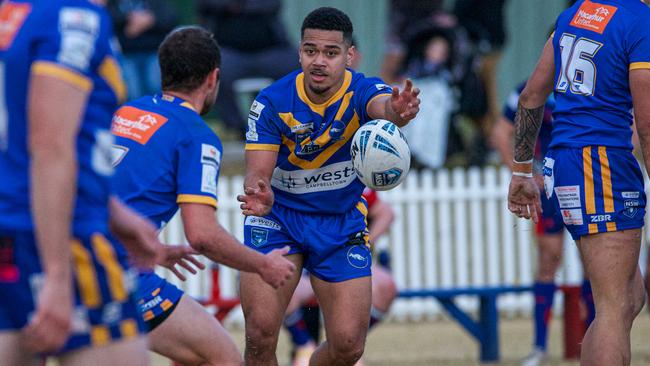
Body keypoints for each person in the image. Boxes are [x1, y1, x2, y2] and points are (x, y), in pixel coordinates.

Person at [237, 7, 420, 366]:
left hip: (340, 221)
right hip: (278, 219)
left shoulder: (362, 89)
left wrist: (397, 112)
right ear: (299, 51)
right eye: (310, 50)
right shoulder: (272, 101)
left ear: (349, 56)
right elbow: (257, 173)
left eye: (331, 53)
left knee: (349, 346)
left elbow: (382, 105)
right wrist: (260, 192)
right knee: (259, 337)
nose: (318, 61)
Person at [110, 26, 296, 365]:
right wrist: (263, 264)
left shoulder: (126, 113)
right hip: (115, 273)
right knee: (223, 359)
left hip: (74, 255)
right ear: (213, 78)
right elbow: (202, 235)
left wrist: (148, 246)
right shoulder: (197, 136)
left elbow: (106, 192)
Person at [0, 0, 157, 365]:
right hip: (63, 237)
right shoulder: (75, 18)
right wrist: (57, 276)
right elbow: (50, 145)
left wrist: (114, 210)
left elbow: (25, 138)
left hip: (12, 227)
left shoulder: (15, 14)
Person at [507, 1, 650, 365]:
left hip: (568, 162)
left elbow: (530, 96)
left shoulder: (574, 15)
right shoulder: (639, 21)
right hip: (601, 162)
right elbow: (647, 122)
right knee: (615, 305)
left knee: (629, 297)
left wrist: (522, 171)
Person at [493, 81, 595, 366]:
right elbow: (501, 133)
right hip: (547, 189)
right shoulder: (531, 87)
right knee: (549, 260)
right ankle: (539, 347)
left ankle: (593, 344)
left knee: (594, 261)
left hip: (586, 182)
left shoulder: (594, 81)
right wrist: (523, 174)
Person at [285, 188, 398, 366]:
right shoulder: (289, 176)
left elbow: (386, 213)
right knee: (279, 282)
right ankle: (304, 344)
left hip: (344, 263)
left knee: (386, 286)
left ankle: (348, 344)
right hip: (305, 270)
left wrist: (367, 243)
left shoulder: (349, 178)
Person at [198, 0, 299, 137]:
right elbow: (206, 5)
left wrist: (240, 6)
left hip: (270, 51)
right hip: (230, 53)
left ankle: (287, 122)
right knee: (214, 68)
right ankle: (239, 128)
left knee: (296, 63)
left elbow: (272, 5)